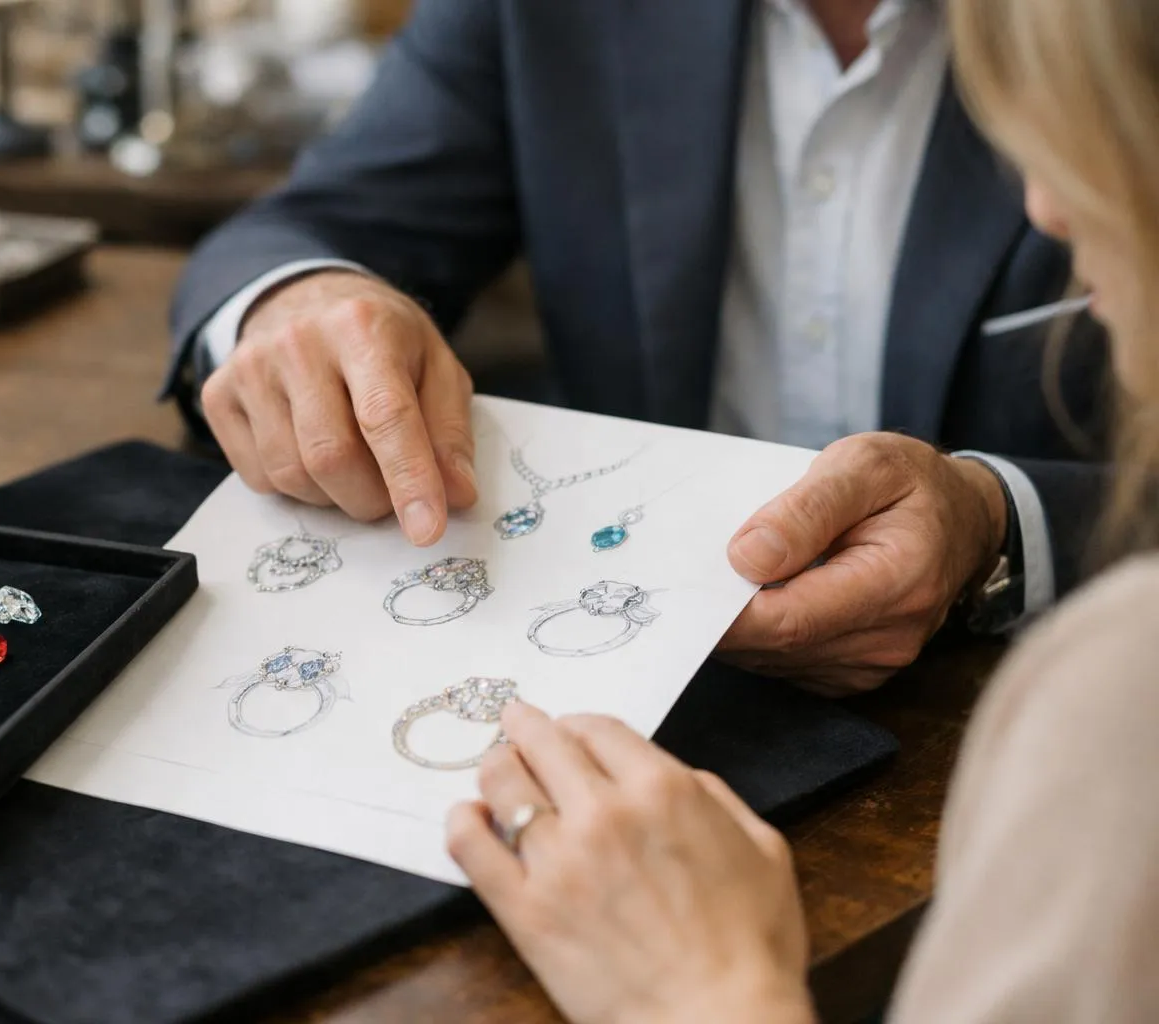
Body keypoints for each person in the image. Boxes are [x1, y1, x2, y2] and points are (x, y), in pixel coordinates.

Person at [444, 0, 1159, 1019]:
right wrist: (304, 301)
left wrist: (705, 991)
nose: (1044, 204)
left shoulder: (1115, 710)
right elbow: (330, 215)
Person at [167, 0, 1112, 696]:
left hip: (1047, 703)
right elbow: (312, 224)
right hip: (628, 691)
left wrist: (998, 524)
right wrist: (298, 302)